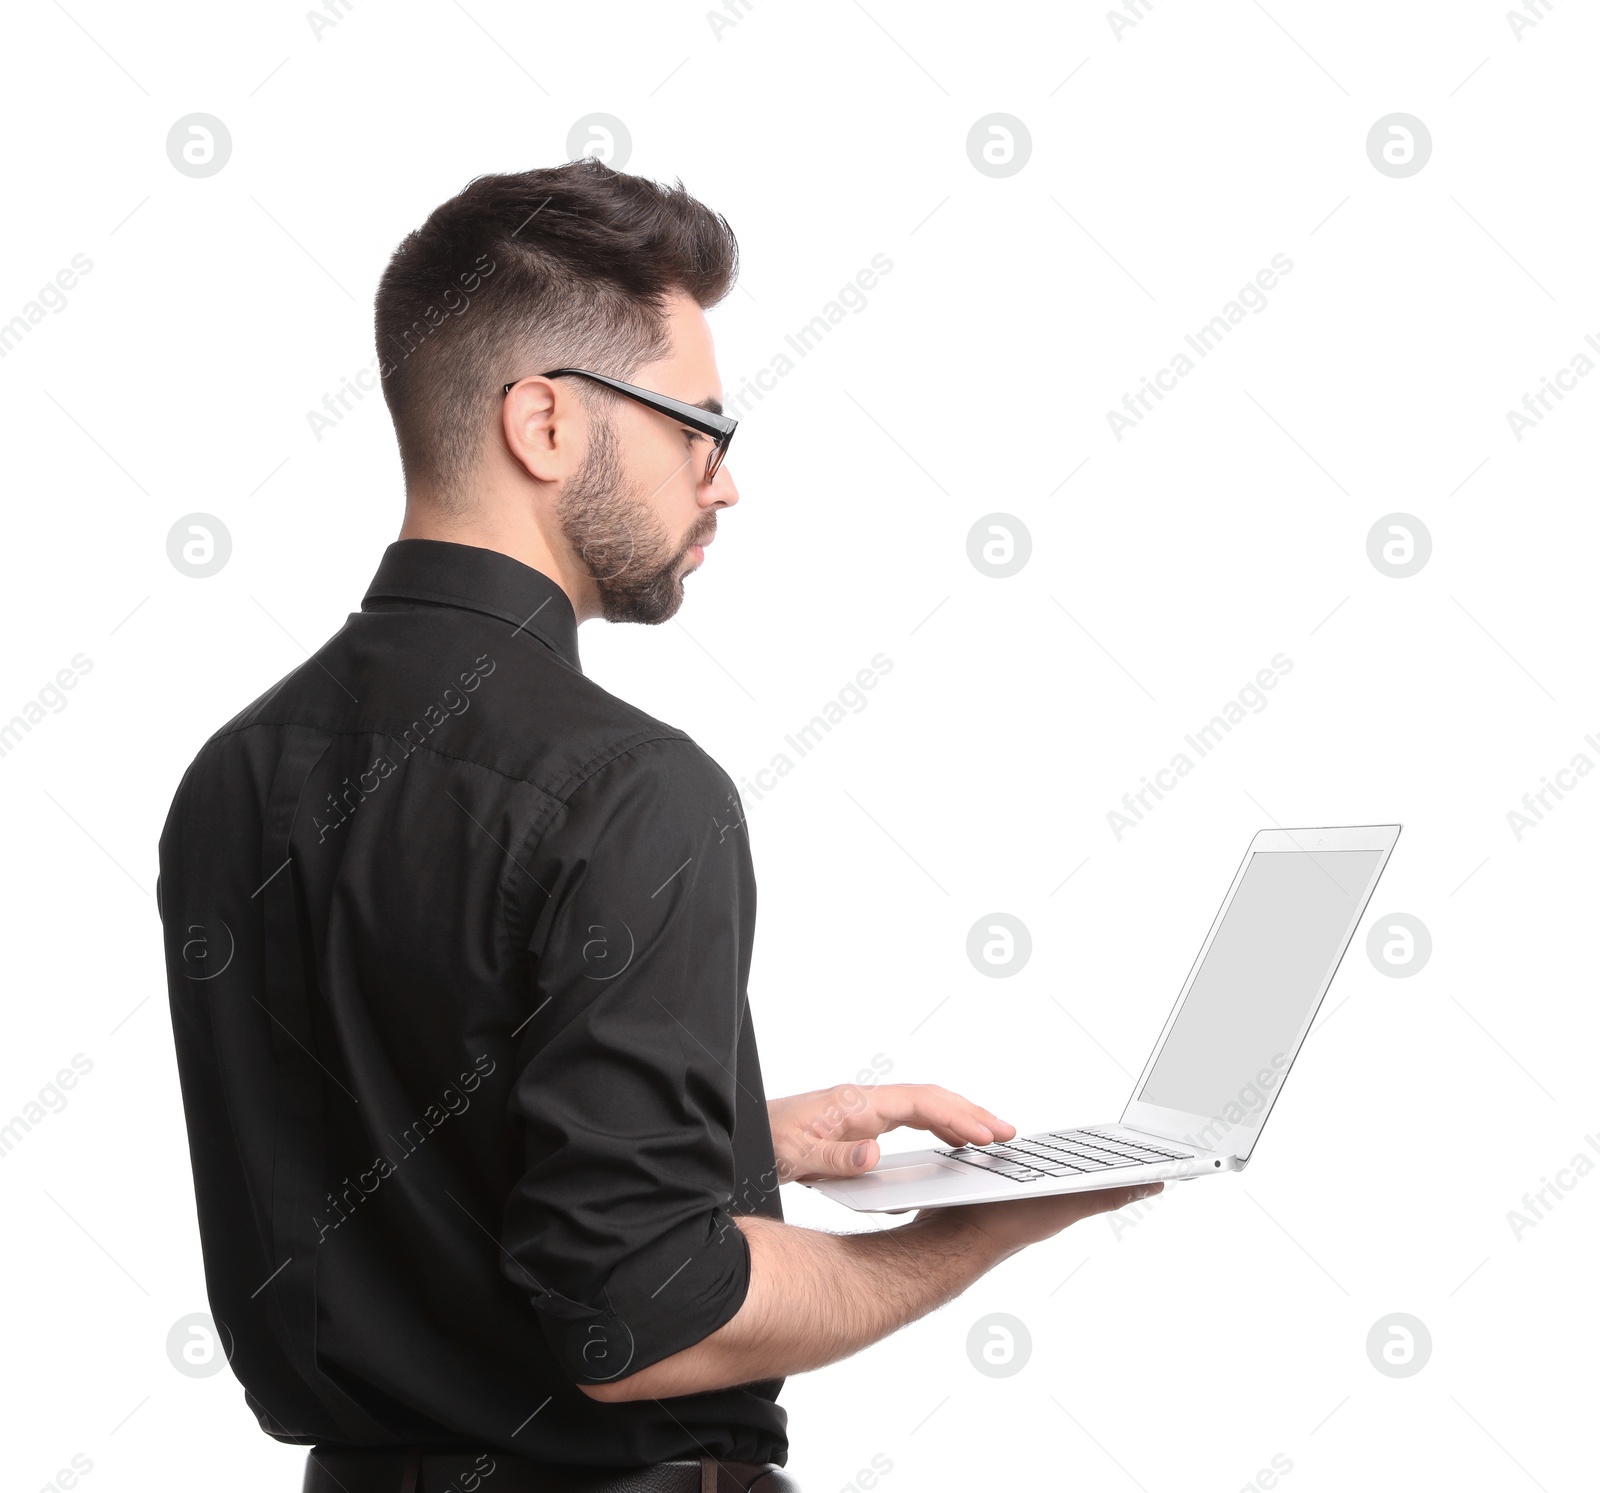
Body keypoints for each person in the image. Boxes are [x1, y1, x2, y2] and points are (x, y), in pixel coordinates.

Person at [156, 158, 1160, 1493]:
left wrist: (738, 1135)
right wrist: (987, 1227)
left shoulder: (231, 776)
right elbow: (641, 1314)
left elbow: (405, 1150)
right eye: (698, 424)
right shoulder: (633, 791)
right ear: (547, 425)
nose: (721, 481)